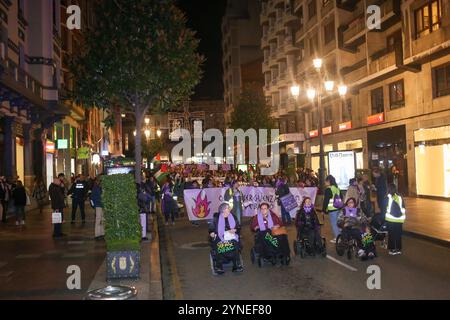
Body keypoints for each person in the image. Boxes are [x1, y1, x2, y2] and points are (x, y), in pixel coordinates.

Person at [208, 203, 243, 274]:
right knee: (219, 244)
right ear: (221, 211)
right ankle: (219, 266)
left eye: (228, 211)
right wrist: (212, 233)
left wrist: (235, 230)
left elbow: (238, 227)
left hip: (231, 237)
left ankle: (236, 264)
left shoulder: (233, 216)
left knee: (235, 243)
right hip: (220, 237)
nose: (228, 213)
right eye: (226, 211)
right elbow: (211, 229)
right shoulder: (216, 218)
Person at [384, 183, 406, 256]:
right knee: (398, 234)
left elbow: (385, 207)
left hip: (391, 219)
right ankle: (398, 249)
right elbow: (403, 207)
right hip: (400, 219)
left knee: (391, 235)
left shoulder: (388, 197)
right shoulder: (400, 197)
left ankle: (392, 249)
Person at [322, 175, 342, 243]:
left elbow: (326, 201)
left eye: (326, 181)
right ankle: (340, 236)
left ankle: (337, 238)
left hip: (332, 209)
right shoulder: (337, 188)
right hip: (338, 208)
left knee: (334, 224)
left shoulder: (328, 189)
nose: (325, 182)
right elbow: (341, 197)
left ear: (329, 181)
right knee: (338, 223)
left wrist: (323, 210)